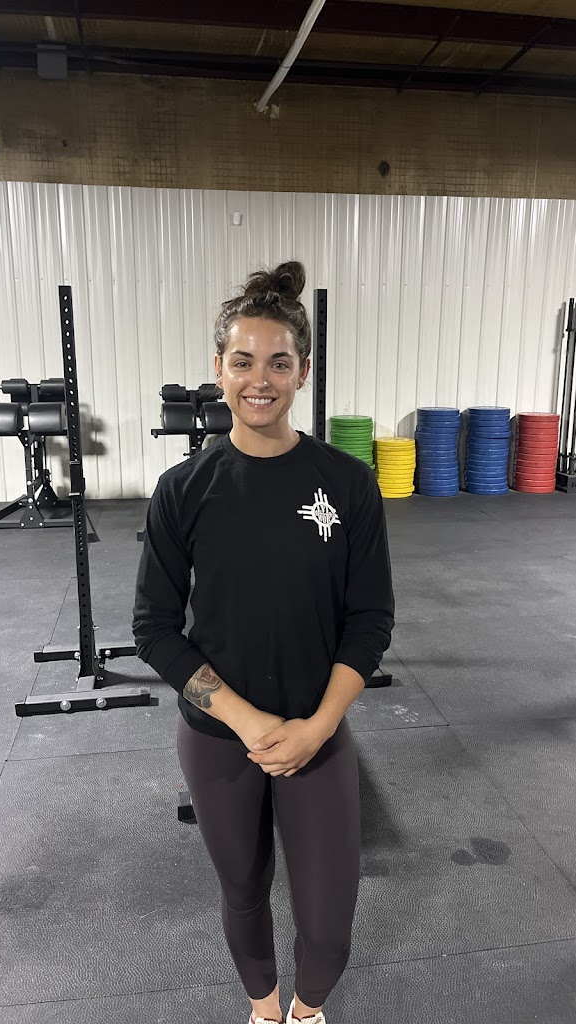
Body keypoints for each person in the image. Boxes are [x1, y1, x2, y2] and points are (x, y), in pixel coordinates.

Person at [133, 261, 395, 1024]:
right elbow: (154, 628)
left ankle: (307, 1012)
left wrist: (316, 727)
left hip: (317, 731)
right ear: (218, 368)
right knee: (243, 890)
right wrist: (248, 723)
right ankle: (266, 1011)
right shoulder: (183, 490)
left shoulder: (347, 484)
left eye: (279, 363)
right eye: (243, 361)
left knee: (328, 924)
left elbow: (370, 620)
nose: (260, 380)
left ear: (303, 372)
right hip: (221, 737)